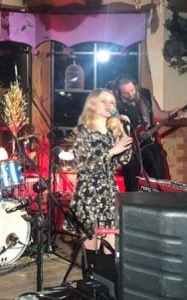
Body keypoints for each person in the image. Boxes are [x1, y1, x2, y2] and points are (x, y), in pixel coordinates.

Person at [70, 89, 133, 255]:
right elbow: (83, 164)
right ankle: (91, 270)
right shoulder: (83, 131)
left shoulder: (111, 132)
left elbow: (125, 159)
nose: (109, 105)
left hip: (108, 191)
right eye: (103, 101)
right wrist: (111, 152)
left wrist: (122, 128)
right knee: (91, 246)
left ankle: (108, 272)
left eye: (112, 102)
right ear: (92, 105)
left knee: (111, 247)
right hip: (89, 191)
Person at [113, 76, 169, 191]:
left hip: (150, 145)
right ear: (119, 93)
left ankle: (157, 200)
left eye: (132, 90)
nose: (131, 94)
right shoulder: (116, 103)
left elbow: (159, 114)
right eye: (126, 93)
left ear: (135, 86)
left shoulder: (146, 95)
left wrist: (173, 113)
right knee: (132, 184)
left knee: (158, 181)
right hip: (130, 148)